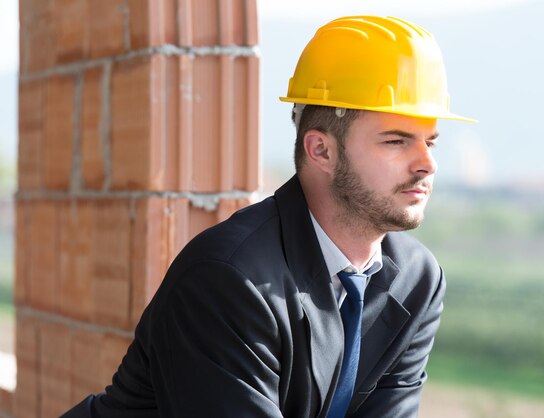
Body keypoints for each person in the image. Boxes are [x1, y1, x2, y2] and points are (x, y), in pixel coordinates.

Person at [63, 15, 475, 418]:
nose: (427, 164)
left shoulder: (417, 279)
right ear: (321, 151)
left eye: (430, 142)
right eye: (396, 141)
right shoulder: (228, 280)